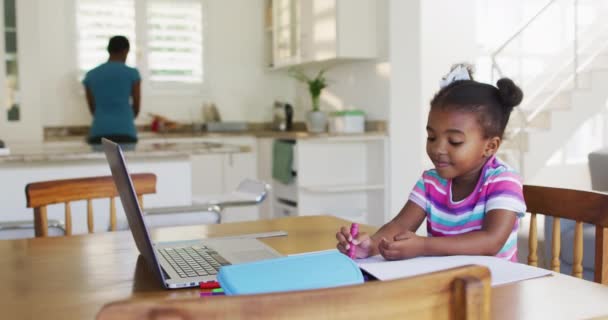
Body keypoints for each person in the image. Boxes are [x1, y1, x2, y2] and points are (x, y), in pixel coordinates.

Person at [336, 64, 527, 262]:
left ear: (490, 146)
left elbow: (491, 241)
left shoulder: (503, 180)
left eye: (454, 141)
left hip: (497, 285)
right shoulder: (431, 181)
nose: (438, 149)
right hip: (445, 281)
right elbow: (400, 225)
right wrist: (370, 246)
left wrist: (423, 245)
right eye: (432, 137)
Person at [83, 35, 141, 144]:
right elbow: (136, 106)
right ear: (126, 50)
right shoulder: (132, 74)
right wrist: (126, 119)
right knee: (125, 161)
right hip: (126, 131)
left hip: (99, 132)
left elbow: (92, 108)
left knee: (100, 162)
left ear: (108, 50)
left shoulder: (91, 75)